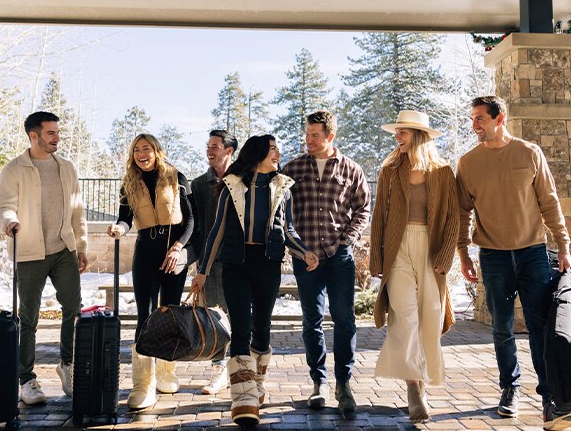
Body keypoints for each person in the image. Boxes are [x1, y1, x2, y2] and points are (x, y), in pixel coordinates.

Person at [456, 96, 571, 430]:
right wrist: (464, 254)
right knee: (501, 328)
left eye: (480, 118)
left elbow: (549, 202)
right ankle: (510, 388)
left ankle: (550, 396)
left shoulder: (529, 153)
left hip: (533, 253)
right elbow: (462, 213)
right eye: (472, 119)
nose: (475, 125)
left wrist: (563, 245)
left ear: (500, 118)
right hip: (493, 257)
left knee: (541, 327)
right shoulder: (468, 163)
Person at [190, 135, 319, 427]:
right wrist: (203, 271)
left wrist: (305, 253)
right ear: (258, 153)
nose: (278, 153)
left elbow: (287, 231)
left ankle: (256, 382)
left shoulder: (282, 188)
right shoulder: (232, 186)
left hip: (268, 264)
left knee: (261, 326)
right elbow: (216, 232)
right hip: (236, 264)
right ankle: (243, 396)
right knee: (241, 327)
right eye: (273, 149)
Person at [0, 111, 89, 405]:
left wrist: (81, 245)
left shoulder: (67, 168)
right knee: (29, 318)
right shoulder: (14, 170)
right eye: (50, 133)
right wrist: (9, 223)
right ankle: (26, 380)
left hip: (63, 250)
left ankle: (68, 366)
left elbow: (77, 210)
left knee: (73, 309)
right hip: (30, 252)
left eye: (57, 133)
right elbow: (2, 208)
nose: (57, 138)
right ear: (33, 136)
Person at [368, 110, 459, 422]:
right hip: (398, 250)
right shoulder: (390, 171)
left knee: (430, 317)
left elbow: (453, 219)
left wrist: (446, 256)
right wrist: (376, 259)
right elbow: (379, 215)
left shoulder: (444, 173)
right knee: (404, 317)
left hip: (431, 251)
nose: (397, 138)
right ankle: (413, 388)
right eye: (397, 133)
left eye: (402, 132)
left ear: (418, 135)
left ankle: (422, 378)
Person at [281, 110, 371, 413]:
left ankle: (343, 383)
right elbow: (281, 213)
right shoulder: (291, 169)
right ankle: (318, 382)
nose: (308, 140)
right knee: (312, 321)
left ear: (330, 136)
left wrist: (348, 238)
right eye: (306, 134)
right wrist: (295, 247)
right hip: (305, 258)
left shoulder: (352, 170)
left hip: (339, 257)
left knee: (345, 320)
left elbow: (363, 209)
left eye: (315, 135)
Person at [106, 134, 194, 410]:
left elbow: (192, 220)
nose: (141, 154)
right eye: (136, 150)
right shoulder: (128, 182)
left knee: (169, 311)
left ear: (157, 151)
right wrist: (120, 227)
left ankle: (167, 372)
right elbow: (125, 217)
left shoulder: (177, 176)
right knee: (144, 316)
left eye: (146, 149)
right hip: (145, 252)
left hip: (173, 253)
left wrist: (179, 248)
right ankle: (143, 383)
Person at [190, 129, 238, 394]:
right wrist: (200, 262)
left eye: (216, 146)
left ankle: (240, 368)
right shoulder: (198, 185)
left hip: (239, 261)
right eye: (208, 146)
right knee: (215, 319)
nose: (210, 150)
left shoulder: (243, 181)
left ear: (229, 151)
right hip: (210, 265)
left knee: (239, 317)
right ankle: (219, 370)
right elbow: (195, 225)